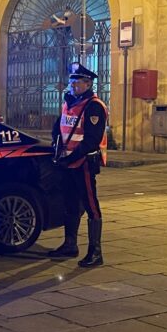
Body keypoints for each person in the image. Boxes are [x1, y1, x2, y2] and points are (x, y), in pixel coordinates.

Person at [48, 62, 108, 267]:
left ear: (88, 83)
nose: (72, 85)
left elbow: (91, 141)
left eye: (77, 81)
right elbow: (59, 127)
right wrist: (56, 145)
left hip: (83, 163)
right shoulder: (69, 102)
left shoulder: (94, 106)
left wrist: (70, 157)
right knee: (70, 204)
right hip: (67, 162)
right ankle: (70, 245)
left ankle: (96, 252)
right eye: (71, 80)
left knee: (91, 206)